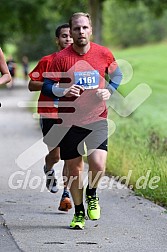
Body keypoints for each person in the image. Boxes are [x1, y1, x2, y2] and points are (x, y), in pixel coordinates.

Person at [41, 12, 123, 229]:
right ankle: (78, 213)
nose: (80, 32)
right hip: (68, 120)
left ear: (90, 29)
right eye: (76, 29)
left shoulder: (103, 53)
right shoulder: (60, 58)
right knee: (75, 169)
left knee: (97, 163)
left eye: (85, 28)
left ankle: (92, 193)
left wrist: (109, 91)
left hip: (97, 117)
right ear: (71, 30)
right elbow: (48, 86)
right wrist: (64, 90)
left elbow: (117, 76)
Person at [28, 24, 74, 212]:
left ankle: (66, 195)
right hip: (50, 113)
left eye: (71, 36)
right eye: (64, 36)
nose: (68, 39)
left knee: (70, 156)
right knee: (56, 155)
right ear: (57, 40)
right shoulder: (47, 61)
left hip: (73, 114)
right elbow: (31, 85)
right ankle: (48, 168)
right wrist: (51, 85)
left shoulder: (80, 62)